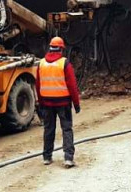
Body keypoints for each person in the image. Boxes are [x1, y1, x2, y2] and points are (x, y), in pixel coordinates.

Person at [36, 36, 81, 168]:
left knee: (48, 129)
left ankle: (47, 157)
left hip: (46, 103)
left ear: (50, 48)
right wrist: (76, 104)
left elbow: (38, 85)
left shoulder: (41, 63)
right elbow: (72, 86)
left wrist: (40, 102)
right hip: (63, 103)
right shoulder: (64, 63)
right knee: (66, 129)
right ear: (61, 49)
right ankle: (68, 158)